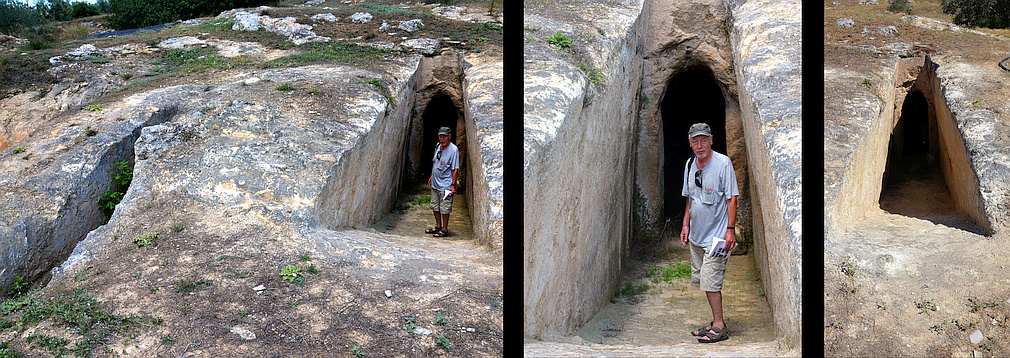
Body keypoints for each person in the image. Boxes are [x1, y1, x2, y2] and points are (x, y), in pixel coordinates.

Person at [679, 122, 739, 343]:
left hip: (716, 238)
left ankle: (720, 326)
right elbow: (690, 198)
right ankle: (714, 323)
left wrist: (730, 231)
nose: (700, 144)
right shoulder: (689, 164)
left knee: (711, 282)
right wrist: (686, 225)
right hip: (697, 235)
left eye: (704, 139)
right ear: (690, 143)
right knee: (704, 281)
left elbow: (732, 198)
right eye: (695, 140)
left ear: (711, 140)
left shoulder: (723, 164)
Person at [424, 126, 459, 237]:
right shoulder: (438, 146)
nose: (442, 139)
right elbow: (435, 163)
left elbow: (455, 169)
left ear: (450, 137)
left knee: (445, 208)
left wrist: (453, 186)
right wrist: (431, 176)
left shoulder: (454, 150)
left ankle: (444, 229)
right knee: (435, 206)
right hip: (435, 182)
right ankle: (438, 226)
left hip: (446, 185)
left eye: (444, 136)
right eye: (440, 136)